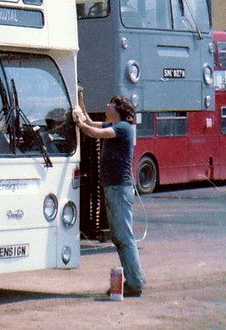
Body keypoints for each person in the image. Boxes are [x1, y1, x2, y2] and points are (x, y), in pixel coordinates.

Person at [73, 89, 146, 298]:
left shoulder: (123, 128)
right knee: (120, 237)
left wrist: (79, 124)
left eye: (110, 104)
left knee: (124, 236)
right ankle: (132, 280)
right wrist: (81, 102)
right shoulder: (116, 125)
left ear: (118, 109)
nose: (106, 106)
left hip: (119, 189)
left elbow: (94, 132)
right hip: (113, 188)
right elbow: (91, 123)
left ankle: (135, 282)